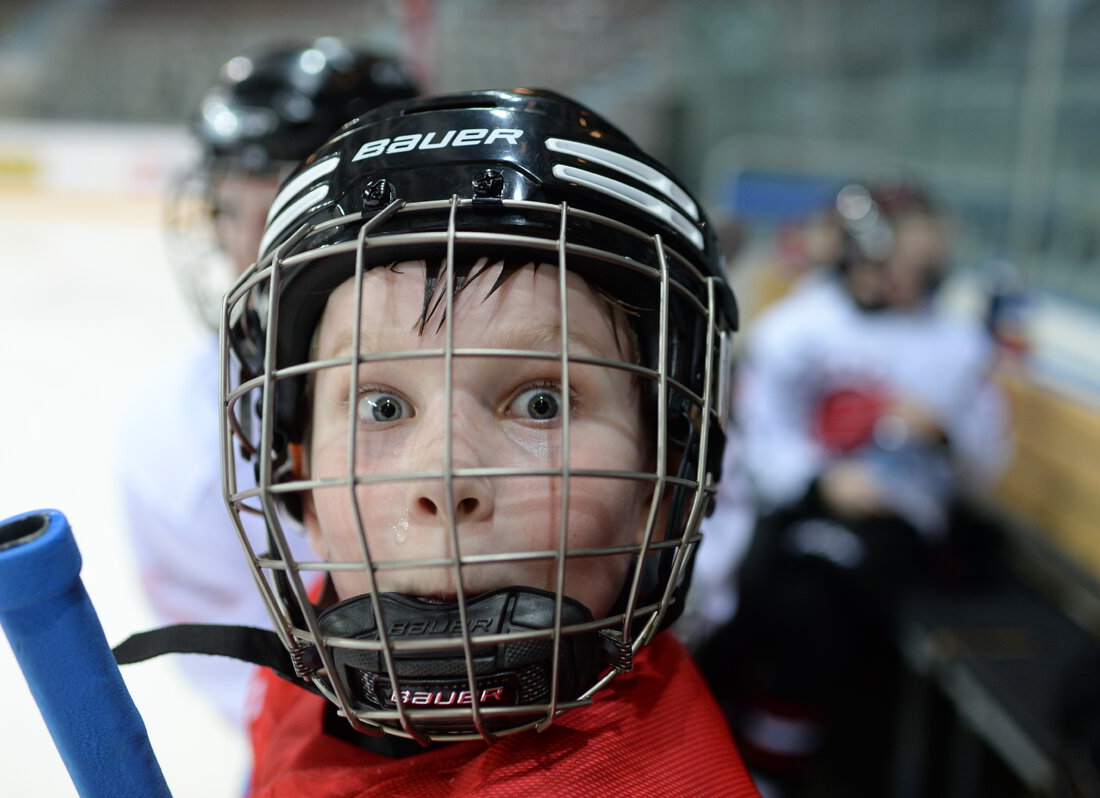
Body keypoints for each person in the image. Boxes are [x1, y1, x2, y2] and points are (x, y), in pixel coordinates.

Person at [212, 87, 760, 795]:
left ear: (669, 474)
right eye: (382, 406)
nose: (442, 478)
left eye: (541, 403)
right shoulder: (313, 666)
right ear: (296, 467)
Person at [118, 40, 417, 726]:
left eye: (288, 216)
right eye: (230, 213)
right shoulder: (176, 440)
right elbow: (257, 687)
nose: (250, 255)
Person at [694, 181, 1010, 790]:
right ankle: (730, 739)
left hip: (897, 524)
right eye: (887, 260)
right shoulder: (799, 327)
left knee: (813, 595)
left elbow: (987, 467)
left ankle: (769, 767)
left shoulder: (955, 342)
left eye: (913, 263)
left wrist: (941, 434)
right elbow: (758, 441)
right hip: (800, 507)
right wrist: (823, 481)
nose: (897, 277)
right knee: (751, 586)